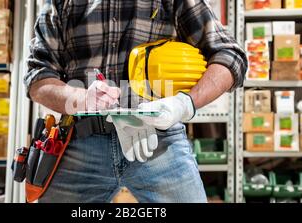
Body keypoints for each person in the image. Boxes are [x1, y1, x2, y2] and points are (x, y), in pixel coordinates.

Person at [25, 0, 247, 203]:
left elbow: (230, 56)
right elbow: (37, 77)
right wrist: (82, 99)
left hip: (158, 140)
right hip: (81, 141)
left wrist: (184, 104)